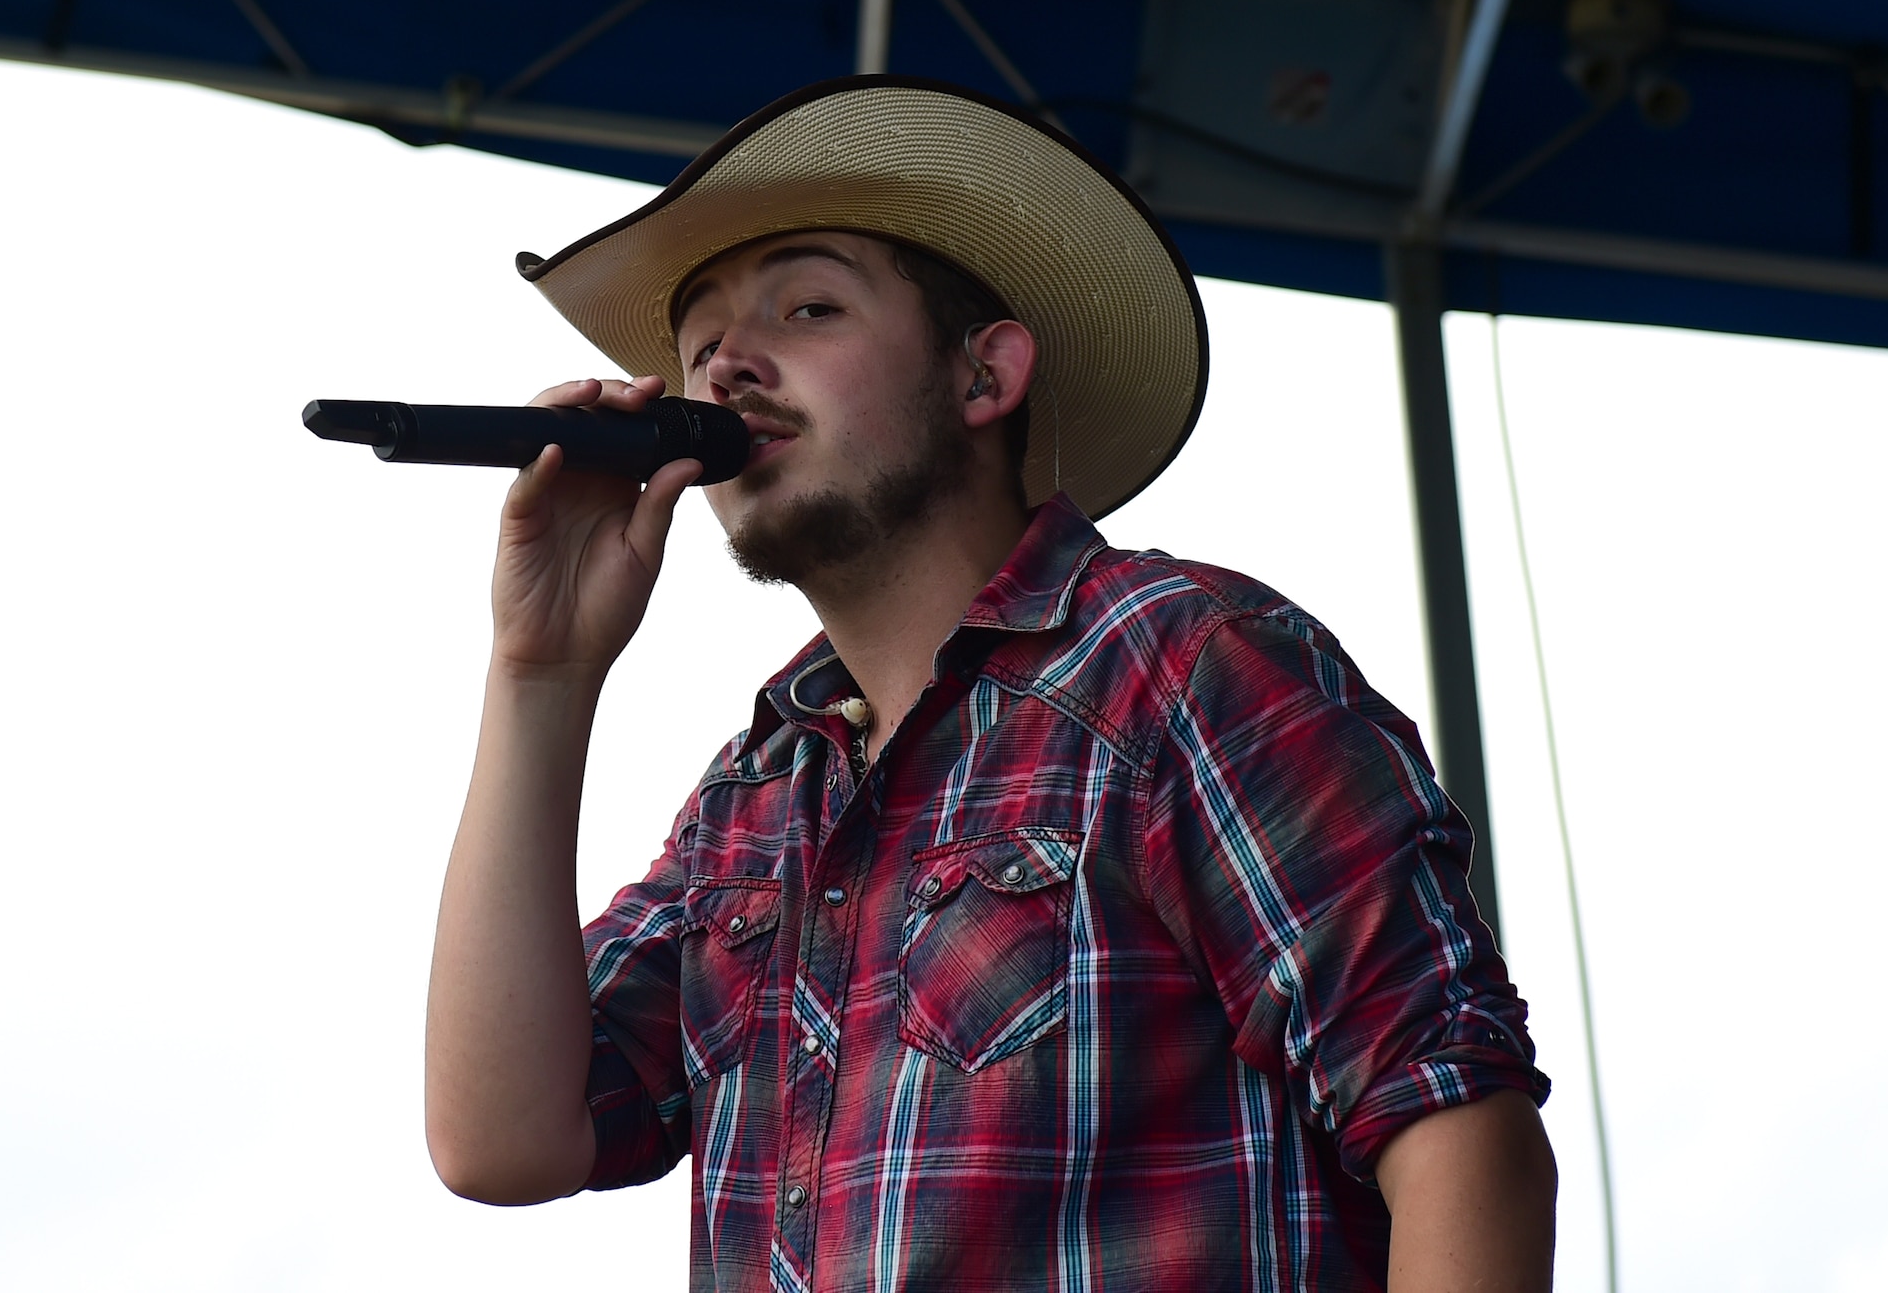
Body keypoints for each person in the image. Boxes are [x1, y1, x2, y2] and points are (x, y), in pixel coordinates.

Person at [425, 76, 1556, 1292]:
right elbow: (506, 1139)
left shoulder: (1174, 656)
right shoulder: (759, 789)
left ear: (985, 377)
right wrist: (539, 670)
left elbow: (1452, 1115)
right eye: (699, 345)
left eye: (805, 308)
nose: (727, 368)